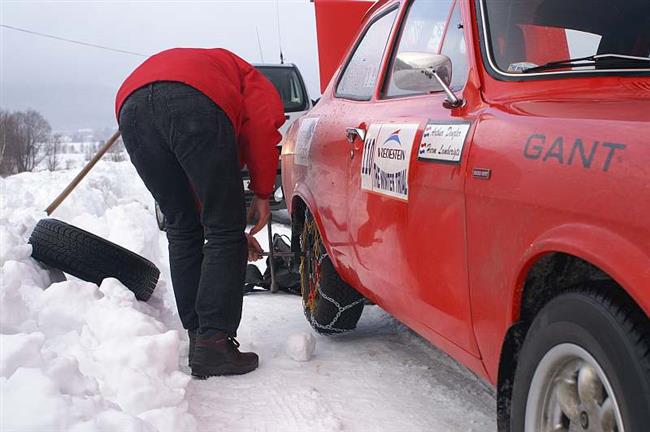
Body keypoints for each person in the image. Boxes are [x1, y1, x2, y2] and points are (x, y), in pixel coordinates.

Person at [115, 48, 285, 377]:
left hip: (130, 105)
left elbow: (192, 174)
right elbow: (263, 126)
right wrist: (263, 193)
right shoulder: (246, 75)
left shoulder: (205, 66)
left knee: (181, 227)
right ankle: (214, 343)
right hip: (193, 103)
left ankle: (199, 337)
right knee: (223, 227)